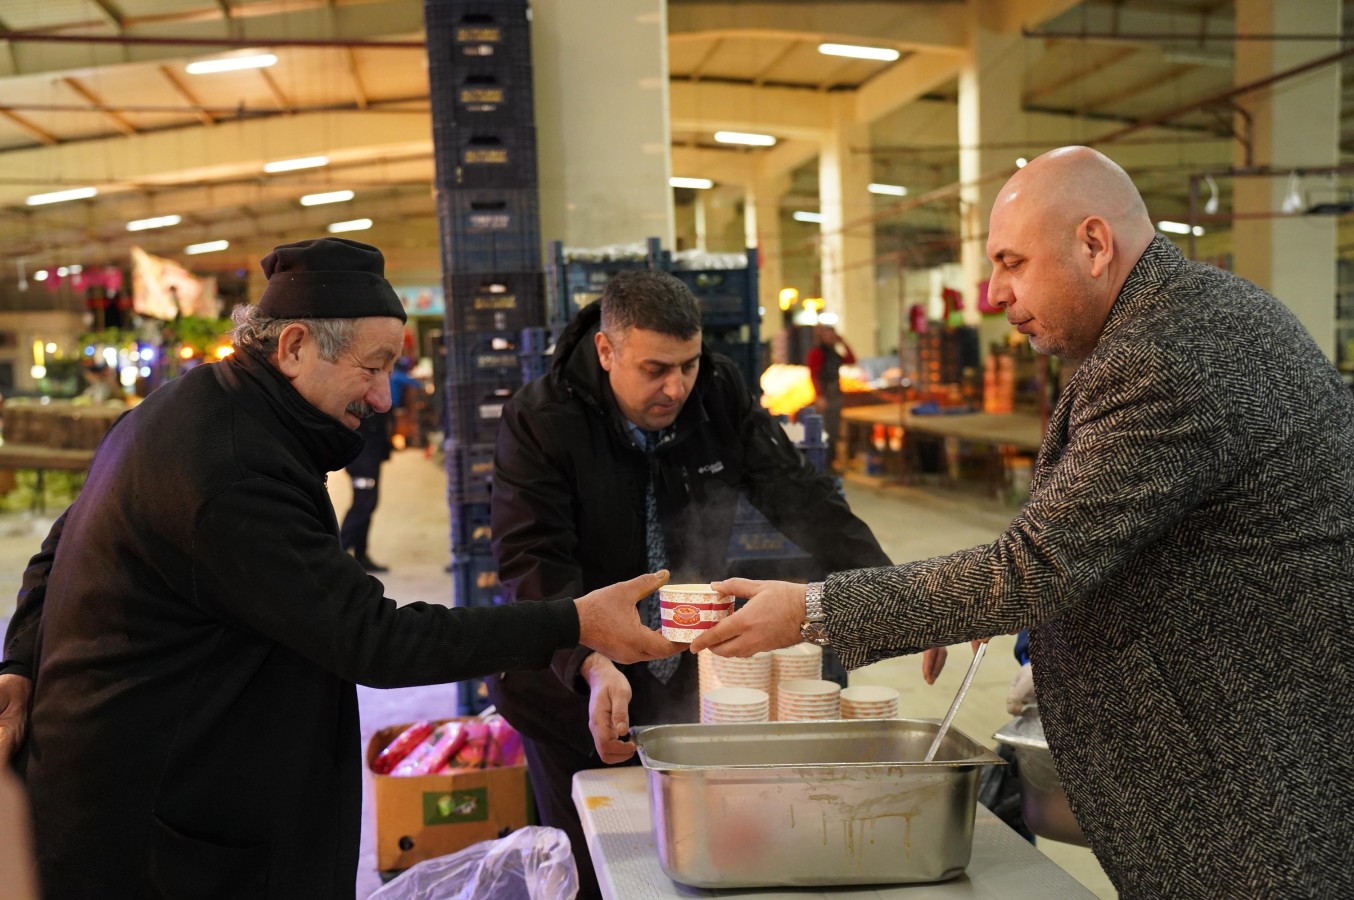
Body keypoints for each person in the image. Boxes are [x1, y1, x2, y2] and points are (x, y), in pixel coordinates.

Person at [690, 146, 1354, 898]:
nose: (993, 293)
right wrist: (1028, 614)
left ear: (1094, 245)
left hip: (1252, 790)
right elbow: (1106, 544)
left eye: (1012, 262)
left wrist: (813, 609)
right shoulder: (1192, 318)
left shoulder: (1169, 355)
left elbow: (1035, 565)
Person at [0, 237, 680, 898]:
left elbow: (57, 548)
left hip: (155, 792)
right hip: (158, 833)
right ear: (294, 347)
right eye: (373, 366)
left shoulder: (194, 405)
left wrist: (19, 665)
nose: (384, 398)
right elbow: (373, 639)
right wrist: (574, 621)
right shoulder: (233, 468)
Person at [487, 269, 944, 900]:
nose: (675, 386)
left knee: (698, 865)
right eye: (654, 369)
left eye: (688, 363)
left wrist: (897, 597)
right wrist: (590, 661)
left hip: (681, 680)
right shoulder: (541, 420)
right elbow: (531, 562)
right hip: (574, 688)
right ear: (606, 351)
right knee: (594, 870)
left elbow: (804, 500)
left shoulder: (719, 392)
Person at [804, 323, 856, 468]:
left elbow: (851, 359)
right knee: (826, 430)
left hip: (835, 394)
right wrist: (819, 396)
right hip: (825, 396)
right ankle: (824, 465)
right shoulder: (817, 353)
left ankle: (831, 463)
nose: (831, 338)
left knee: (834, 430)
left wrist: (843, 342)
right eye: (828, 335)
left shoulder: (833, 353)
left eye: (833, 335)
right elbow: (814, 375)